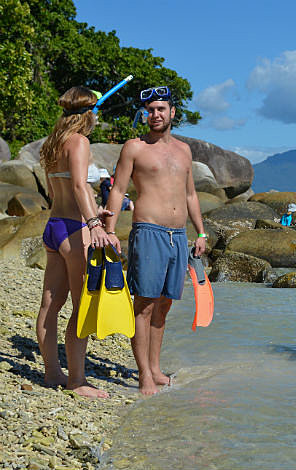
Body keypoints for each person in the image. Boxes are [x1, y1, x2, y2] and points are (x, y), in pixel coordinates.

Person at [104, 85, 207, 395]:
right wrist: (108, 230)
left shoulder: (184, 151)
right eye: (150, 110)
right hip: (148, 232)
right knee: (145, 305)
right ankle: (143, 375)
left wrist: (200, 232)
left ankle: (156, 368)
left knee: (164, 306)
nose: (156, 114)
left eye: (161, 109)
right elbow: (118, 190)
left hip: (178, 236)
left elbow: (190, 194)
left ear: (172, 112)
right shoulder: (134, 148)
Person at [36, 86, 113, 398]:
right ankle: (77, 381)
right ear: (87, 113)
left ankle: (52, 372)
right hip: (74, 230)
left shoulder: (52, 143)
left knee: (49, 305)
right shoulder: (79, 142)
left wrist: (94, 209)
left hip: (54, 226)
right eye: (94, 111)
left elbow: (59, 192)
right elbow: (80, 185)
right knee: (81, 308)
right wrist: (94, 222)